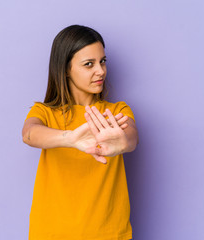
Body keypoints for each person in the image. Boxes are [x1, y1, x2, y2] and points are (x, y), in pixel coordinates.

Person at [22, 24, 138, 240]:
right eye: (89, 64)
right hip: (51, 233)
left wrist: (122, 143)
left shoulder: (116, 111)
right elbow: (29, 134)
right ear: (66, 69)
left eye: (103, 61)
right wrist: (70, 138)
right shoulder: (45, 112)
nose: (100, 71)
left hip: (109, 234)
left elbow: (131, 137)